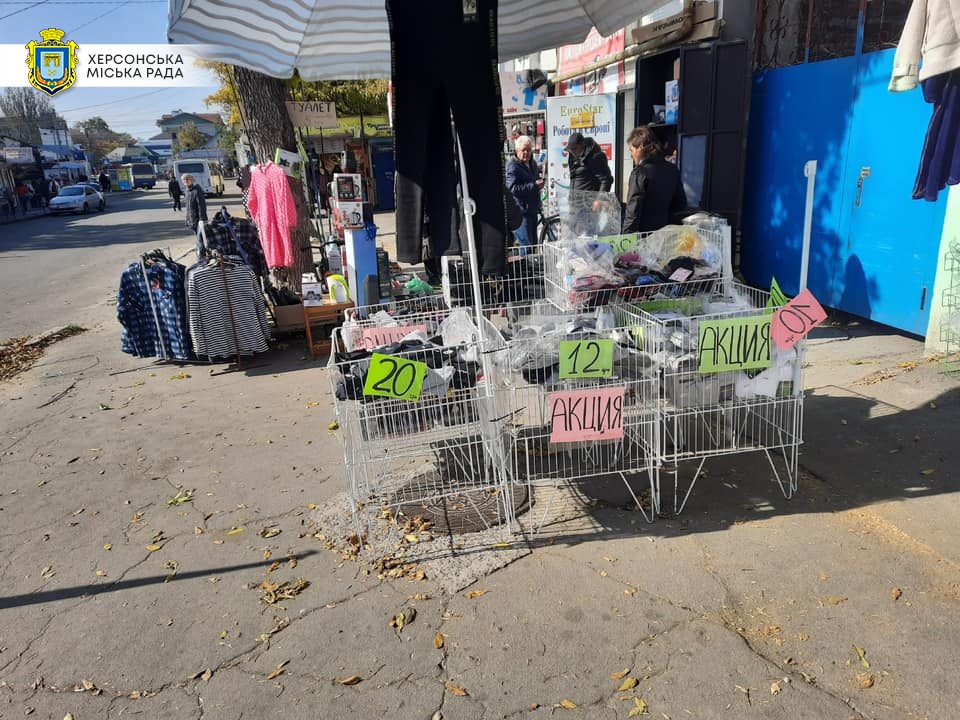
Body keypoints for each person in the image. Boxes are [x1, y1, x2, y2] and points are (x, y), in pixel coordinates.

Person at [622, 126, 687, 233]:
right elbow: (680, 203)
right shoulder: (672, 169)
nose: (631, 155)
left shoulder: (640, 172)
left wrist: (626, 238)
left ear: (641, 147)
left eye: (632, 150)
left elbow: (633, 210)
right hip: (666, 232)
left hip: (643, 235)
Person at [505, 135, 543, 255]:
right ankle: (527, 270)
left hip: (532, 209)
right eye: (523, 150)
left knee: (533, 245)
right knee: (526, 247)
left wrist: (540, 183)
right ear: (517, 151)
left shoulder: (533, 164)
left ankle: (534, 270)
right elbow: (512, 188)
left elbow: (535, 180)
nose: (526, 153)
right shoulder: (513, 165)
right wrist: (534, 185)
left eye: (528, 150)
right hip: (522, 212)